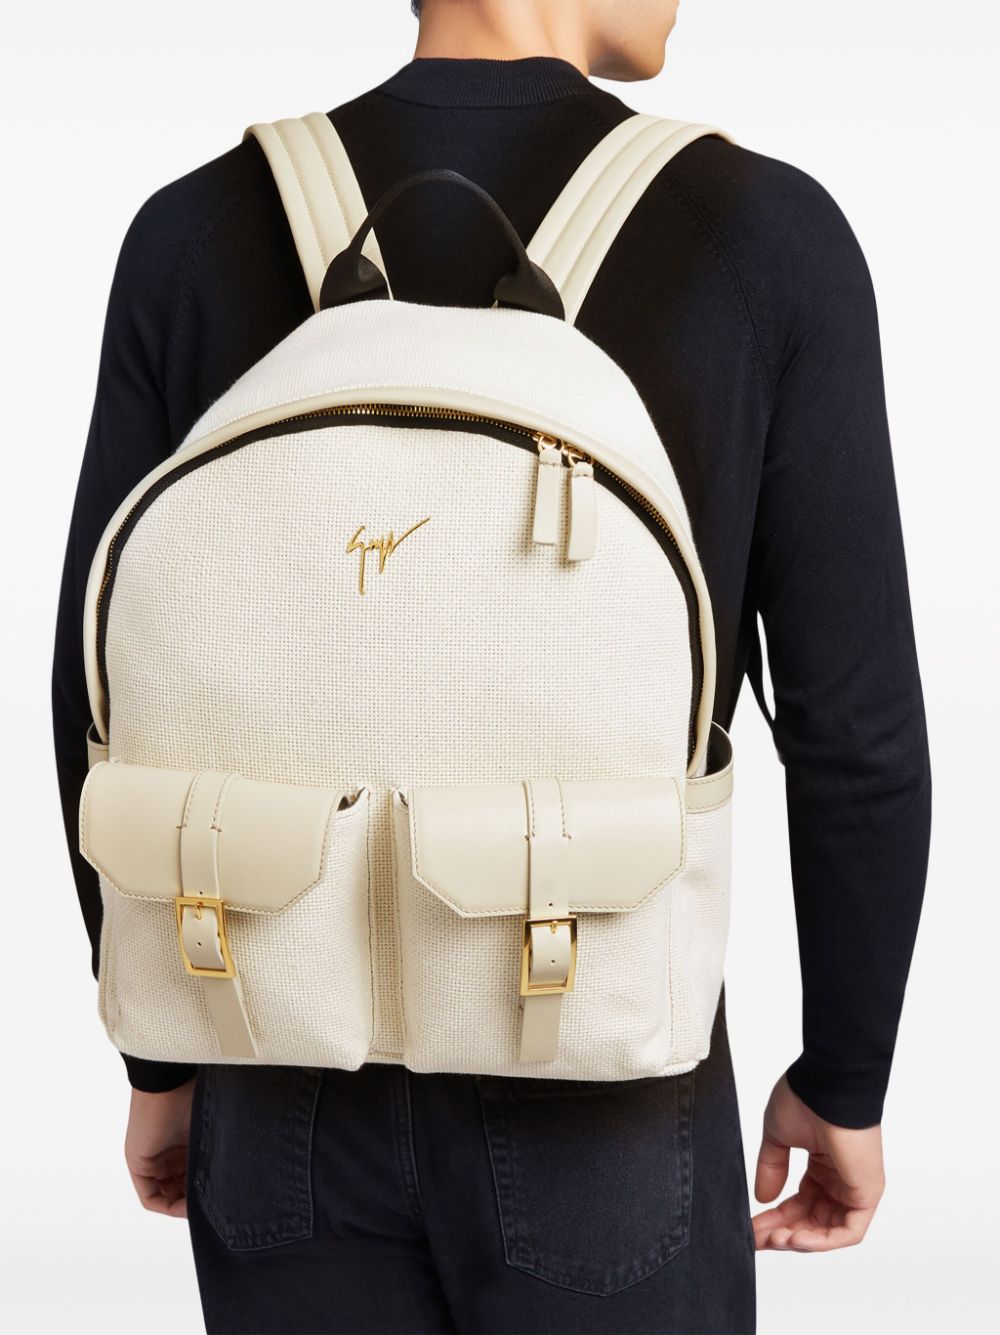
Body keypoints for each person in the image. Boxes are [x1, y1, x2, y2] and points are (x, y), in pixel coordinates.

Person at [51, 1, 931, 1332]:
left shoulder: (193, 229)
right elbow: (855, 733)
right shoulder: (763, 236)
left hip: (268, 1055)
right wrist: (845, 1077)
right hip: (603, 1076)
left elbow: (99, 696)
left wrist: (159, 1059)